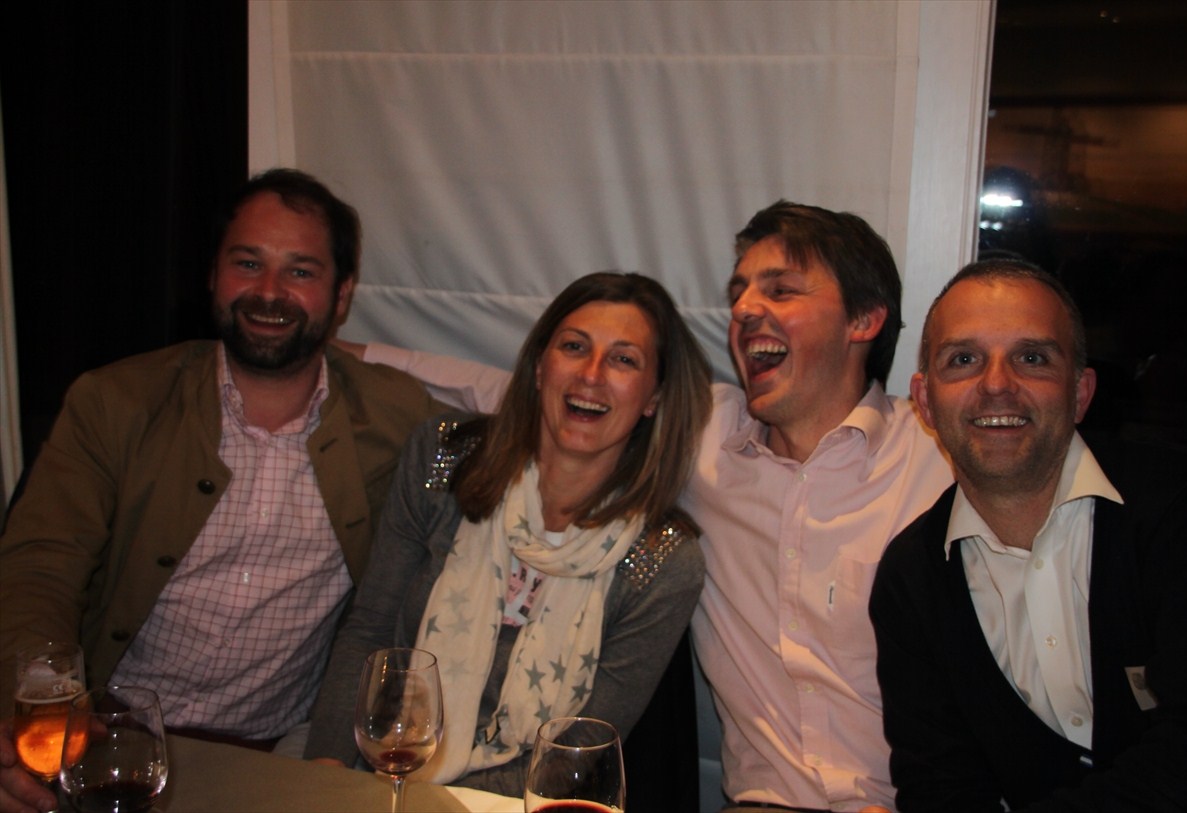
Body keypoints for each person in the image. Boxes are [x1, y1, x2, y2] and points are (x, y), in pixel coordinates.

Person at [339, 201, 953, 811]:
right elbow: (528, 391)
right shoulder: (708, 433)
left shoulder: (939, 461)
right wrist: (336, 353)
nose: (744, 308)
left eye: (780, 290)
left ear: (864, 319)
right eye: (738, 292)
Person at [0, 169, 440, 813]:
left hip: (280, 755)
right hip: (110, 739)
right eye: (248, 263)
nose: (269, 292)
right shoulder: (116, 402)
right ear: (213, 274)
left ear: (342, 294)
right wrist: (36, 703)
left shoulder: (395, 416)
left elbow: (504, 444)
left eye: (300, 271)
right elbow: (40, 567)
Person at [303, 272, 712, 798]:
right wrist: (327, 769)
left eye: (623, 360)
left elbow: (581, 750)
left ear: (653, 397)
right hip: (383, 770)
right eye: (574, 347)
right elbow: (370, 631)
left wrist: (441, 805)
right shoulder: (442, 459)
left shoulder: (665, 560)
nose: (591, 375)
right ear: (540, 367)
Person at [869, 259, 1187, 811]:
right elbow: (939, 788)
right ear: (926, 401)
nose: (996, 384)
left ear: (1080, 393)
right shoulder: (911, 577)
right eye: (964, 360)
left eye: (1031, 358)